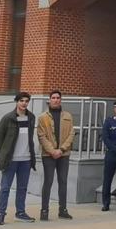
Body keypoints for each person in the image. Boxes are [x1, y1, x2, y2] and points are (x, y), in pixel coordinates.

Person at [0, 92, 38, 226]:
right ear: (16, 102)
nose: (24, 103)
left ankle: (20, 213)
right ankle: (0, 214)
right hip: (11, 160)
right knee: (5, 187)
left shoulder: (31, 117)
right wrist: (6, 150)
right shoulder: (8, 118)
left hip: (26, 159)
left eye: (26, 101)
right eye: (21, 101)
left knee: (22, 188)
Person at [36, 90, 76, 221]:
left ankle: (63, 210)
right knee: (48, 181)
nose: (56, 100)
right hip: (48, 155)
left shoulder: (68, 116)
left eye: (58, 98)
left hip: (64, 154)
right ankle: (44, 210)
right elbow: (41, 136)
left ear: (61, 100)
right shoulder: (43, 117)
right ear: (49, 100)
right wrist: (52, 151)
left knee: (63, 181)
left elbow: (71, 134)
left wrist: (62, 149)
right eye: (53, 98)